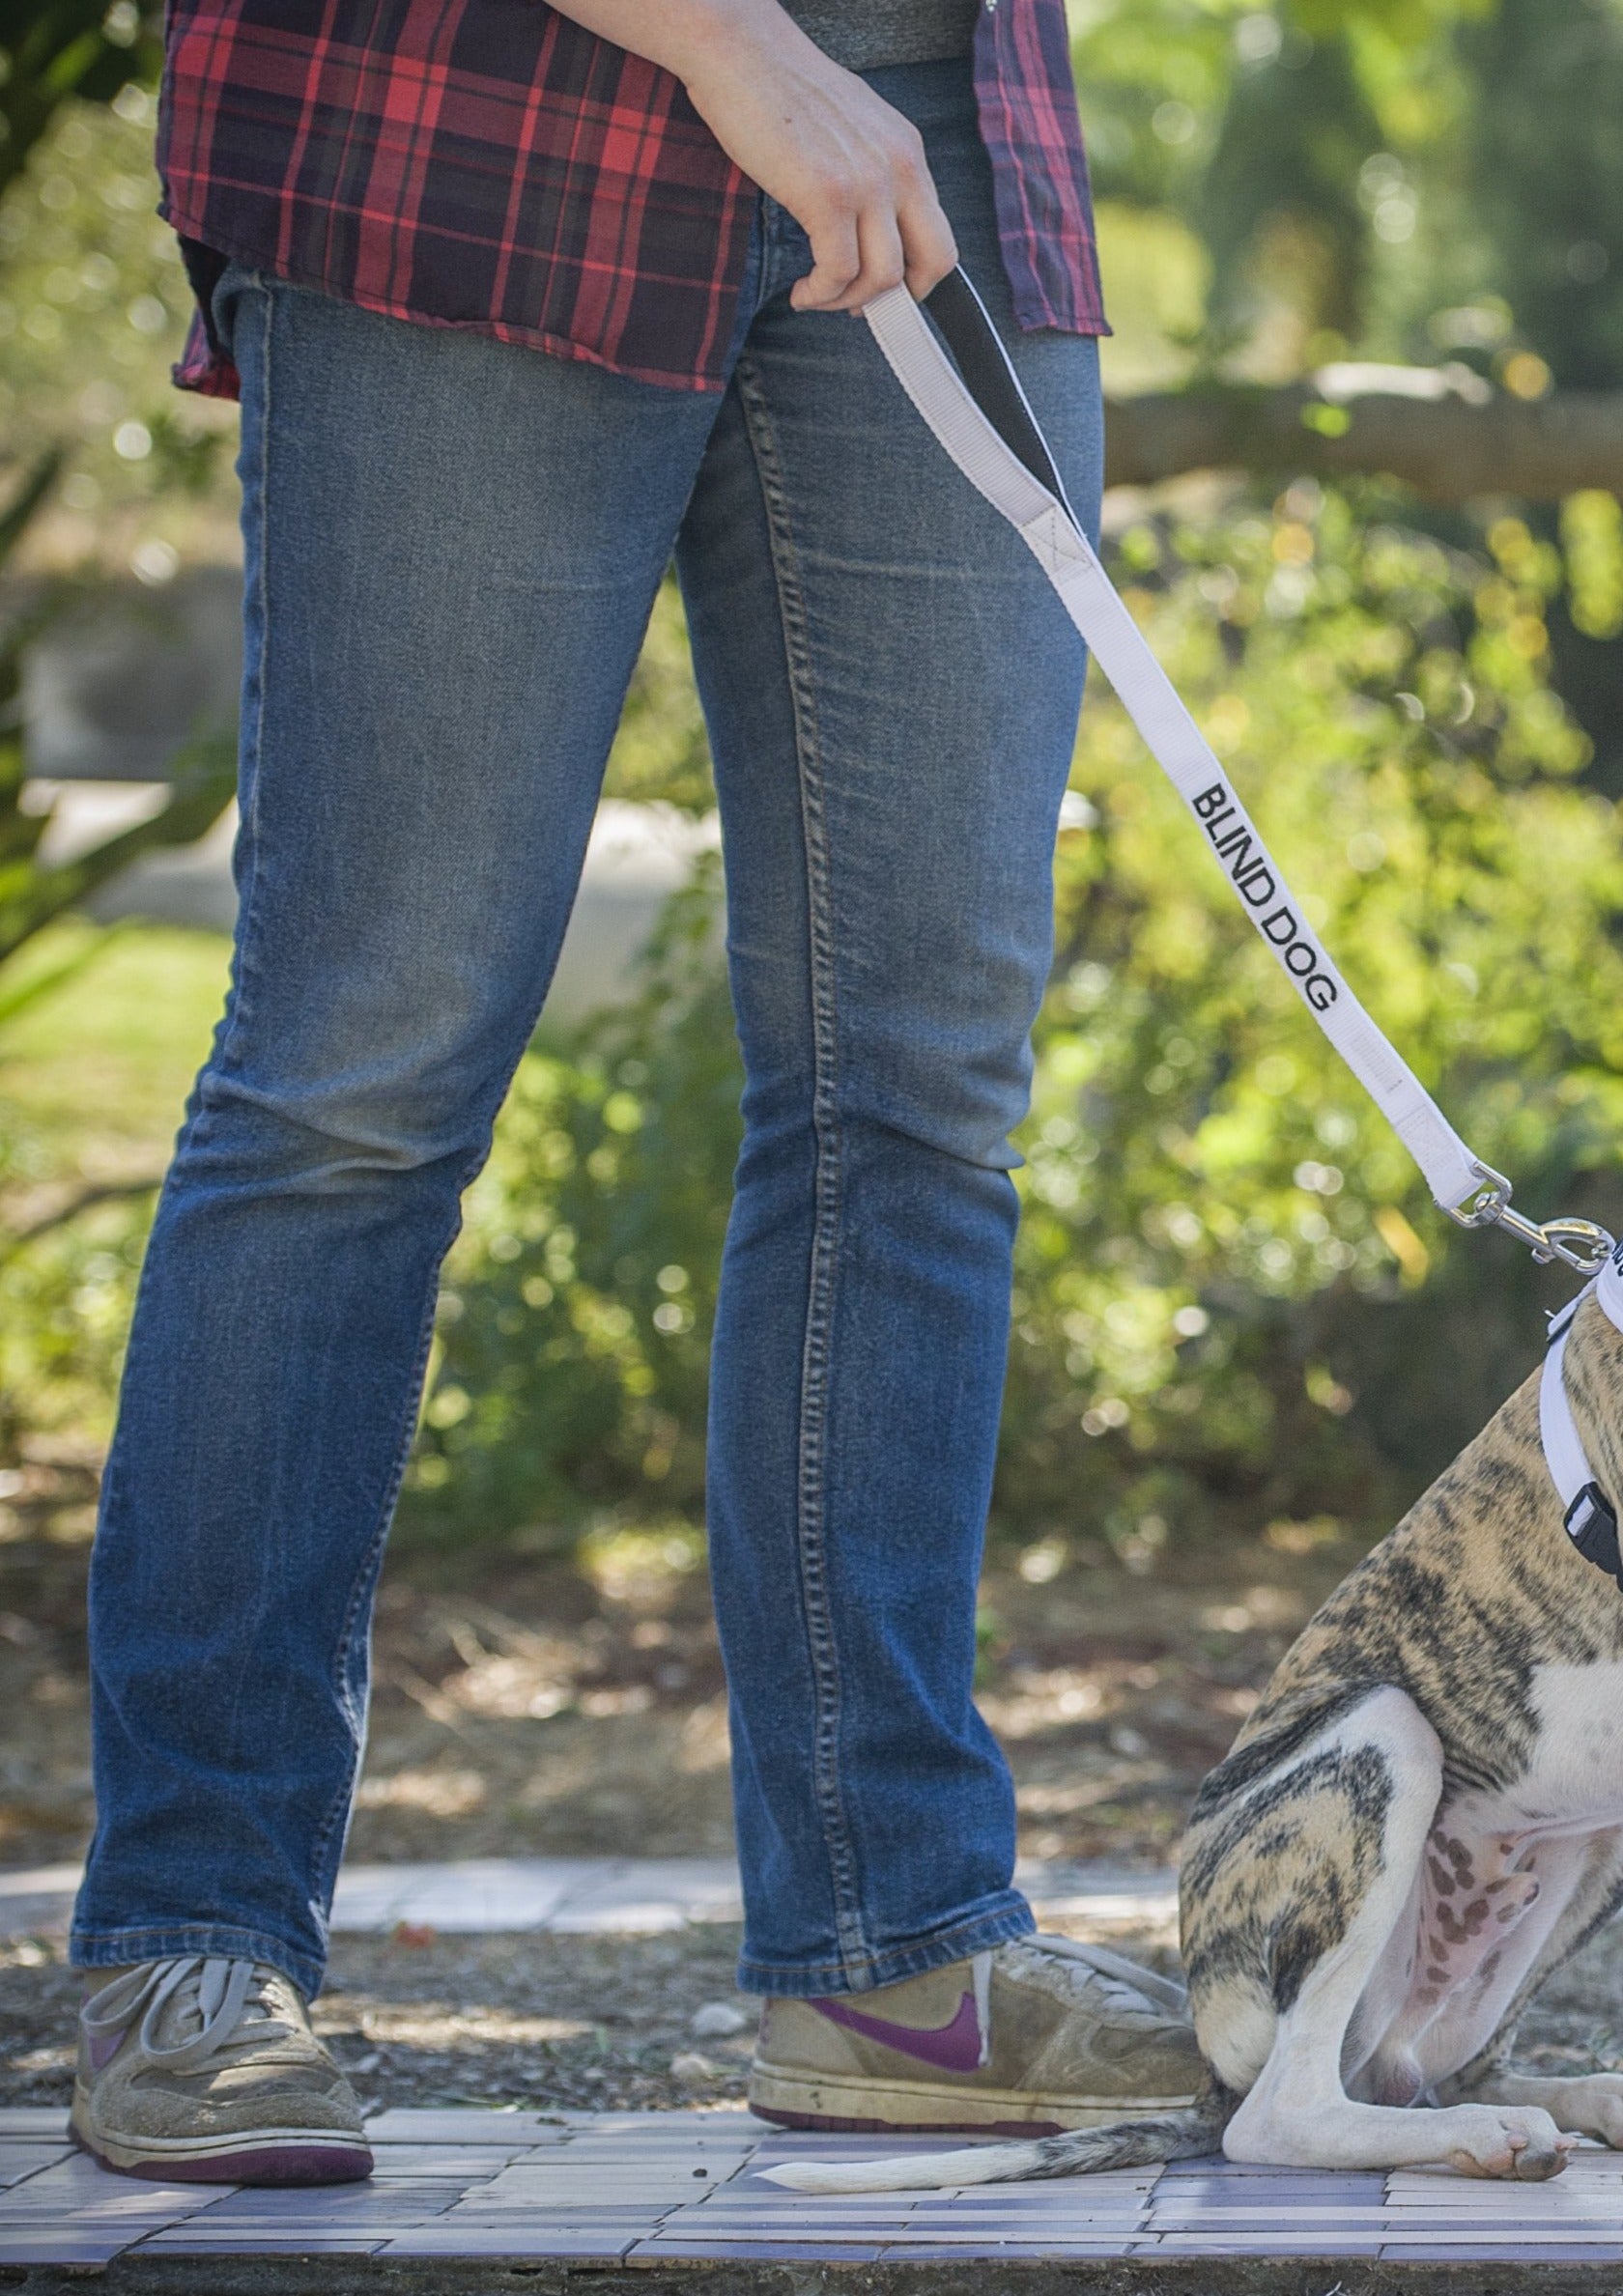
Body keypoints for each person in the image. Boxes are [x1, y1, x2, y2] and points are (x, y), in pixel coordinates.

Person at [67, 0, 1201, 2185]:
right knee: (361, 1075)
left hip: (943, 134)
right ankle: (191, 1934)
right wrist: (733, 51)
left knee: (923, 1090)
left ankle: (891, 1945)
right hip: (485, 113)